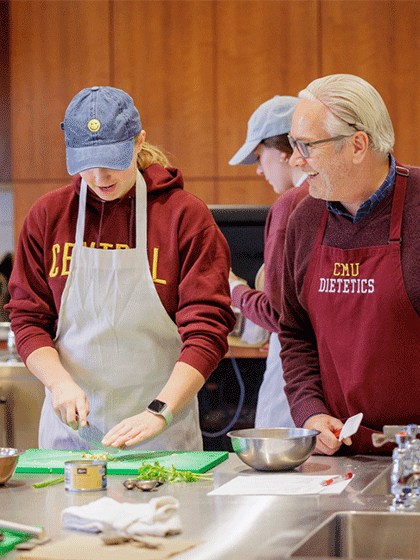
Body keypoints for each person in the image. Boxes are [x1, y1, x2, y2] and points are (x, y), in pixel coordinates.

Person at [6, 86, 236, 451]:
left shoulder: (184, 217)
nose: (99, 177)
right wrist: (58, 384)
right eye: (86, 164)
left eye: (113, 159)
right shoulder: (48, 216)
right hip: (72, 434)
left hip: (161, 433)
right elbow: (28, 320)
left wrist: (160, 411)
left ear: (139, 141)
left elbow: (208, 330)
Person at [280, 73, 420, 456]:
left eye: (306, 146)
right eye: (293, 145)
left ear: (357, 145)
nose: (295, 160)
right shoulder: (304, 219)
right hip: (342, 456)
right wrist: (309, 412)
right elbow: (295, 336)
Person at [228, 96, 308, 428]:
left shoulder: (290, 208)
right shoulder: (336, 198)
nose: (260, 169)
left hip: (296, 378)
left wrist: (233, 287)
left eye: (260, 156)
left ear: (284, 150)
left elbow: (277, 314)